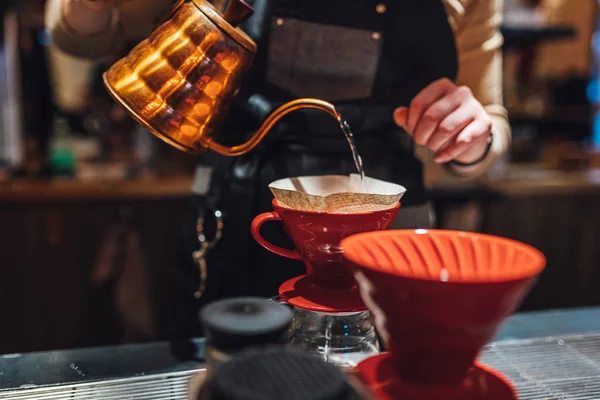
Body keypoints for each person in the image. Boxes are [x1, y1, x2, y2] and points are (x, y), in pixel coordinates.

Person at [45, 0, 510, 342]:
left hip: (387, 227)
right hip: (241, 203)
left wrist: (471, 137)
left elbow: (490, 128)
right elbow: (81, 36)